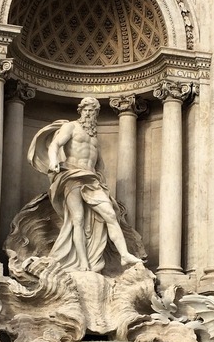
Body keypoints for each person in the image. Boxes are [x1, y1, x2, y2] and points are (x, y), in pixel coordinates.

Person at [27, 97, 141, 272]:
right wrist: (53, 161)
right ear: (80, 111)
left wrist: (102, 180)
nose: (88, 114)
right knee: (77, 220)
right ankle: (83, 263)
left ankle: (124, 254)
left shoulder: (94, 136)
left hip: (91, 179)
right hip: (72, 175)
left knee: (110, 214)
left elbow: (99, 163)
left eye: (92, 111)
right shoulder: (71, 127)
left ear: (96, 114)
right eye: (86, 110)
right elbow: (55, 145)